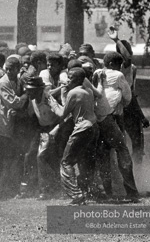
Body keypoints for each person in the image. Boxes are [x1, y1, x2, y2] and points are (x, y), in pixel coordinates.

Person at [92, 52, 139, 202]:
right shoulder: (118, 75)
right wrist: (121, 104)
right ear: (113, 64)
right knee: (122, 151)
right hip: (111, 118)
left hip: (97, 118)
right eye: (118, 65)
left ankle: (109, 192)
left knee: (103, 154)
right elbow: (127, 96)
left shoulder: (97, 73)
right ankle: (131, 191)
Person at [49, 67, 99, 205]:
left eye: (70, 77)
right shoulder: (87, 91)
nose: (67, 80)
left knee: (66, 162)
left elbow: (62, 114)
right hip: (93, 128)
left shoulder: (73, 92)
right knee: (85, 160)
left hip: (82, 129)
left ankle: (76, 194)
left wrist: (52, 103)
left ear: (76, 79)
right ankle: (87, 190)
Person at [0, 57, 28, 198]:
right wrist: (26, 95)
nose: (9, 71)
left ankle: (3, 190)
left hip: (6, 124)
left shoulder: (17, 81)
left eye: (12, 69)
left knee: (6, 159)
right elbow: (15, 103)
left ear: (18, 69)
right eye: (7, 69)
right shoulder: (4, 83)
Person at [108, 27, 150, 164]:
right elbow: (127, 58)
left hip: (129, 105)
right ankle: (122, 169)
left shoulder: (131, 69)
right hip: (117, 107)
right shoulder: (117, 67)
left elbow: (131, 92)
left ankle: (137, 169)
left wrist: (140, 115)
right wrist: (116, 39)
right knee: (120, 142)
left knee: (137, 141)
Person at [24, 77, 61, 200]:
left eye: (32, 90)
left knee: (42, 157)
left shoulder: (49, 99)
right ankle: (30, 187)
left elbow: (62, 115)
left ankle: (45, 190)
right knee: (29, 156)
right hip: (41, 129)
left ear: (39, 90)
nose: (29, 93)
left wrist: (55, 131)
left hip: (53, 129)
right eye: (28, 90)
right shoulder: (32, 98)